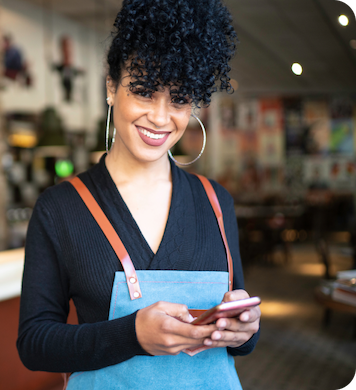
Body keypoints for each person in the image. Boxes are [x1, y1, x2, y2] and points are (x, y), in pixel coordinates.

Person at [17, 0, 261, 388]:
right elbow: (34, 343)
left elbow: (236, 339)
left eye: (179, 99)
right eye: (145, 91)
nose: (161, 118)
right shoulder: (60, 208)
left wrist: (245, 331)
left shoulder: (216, 202)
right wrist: (131, 335)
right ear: (111, 87)